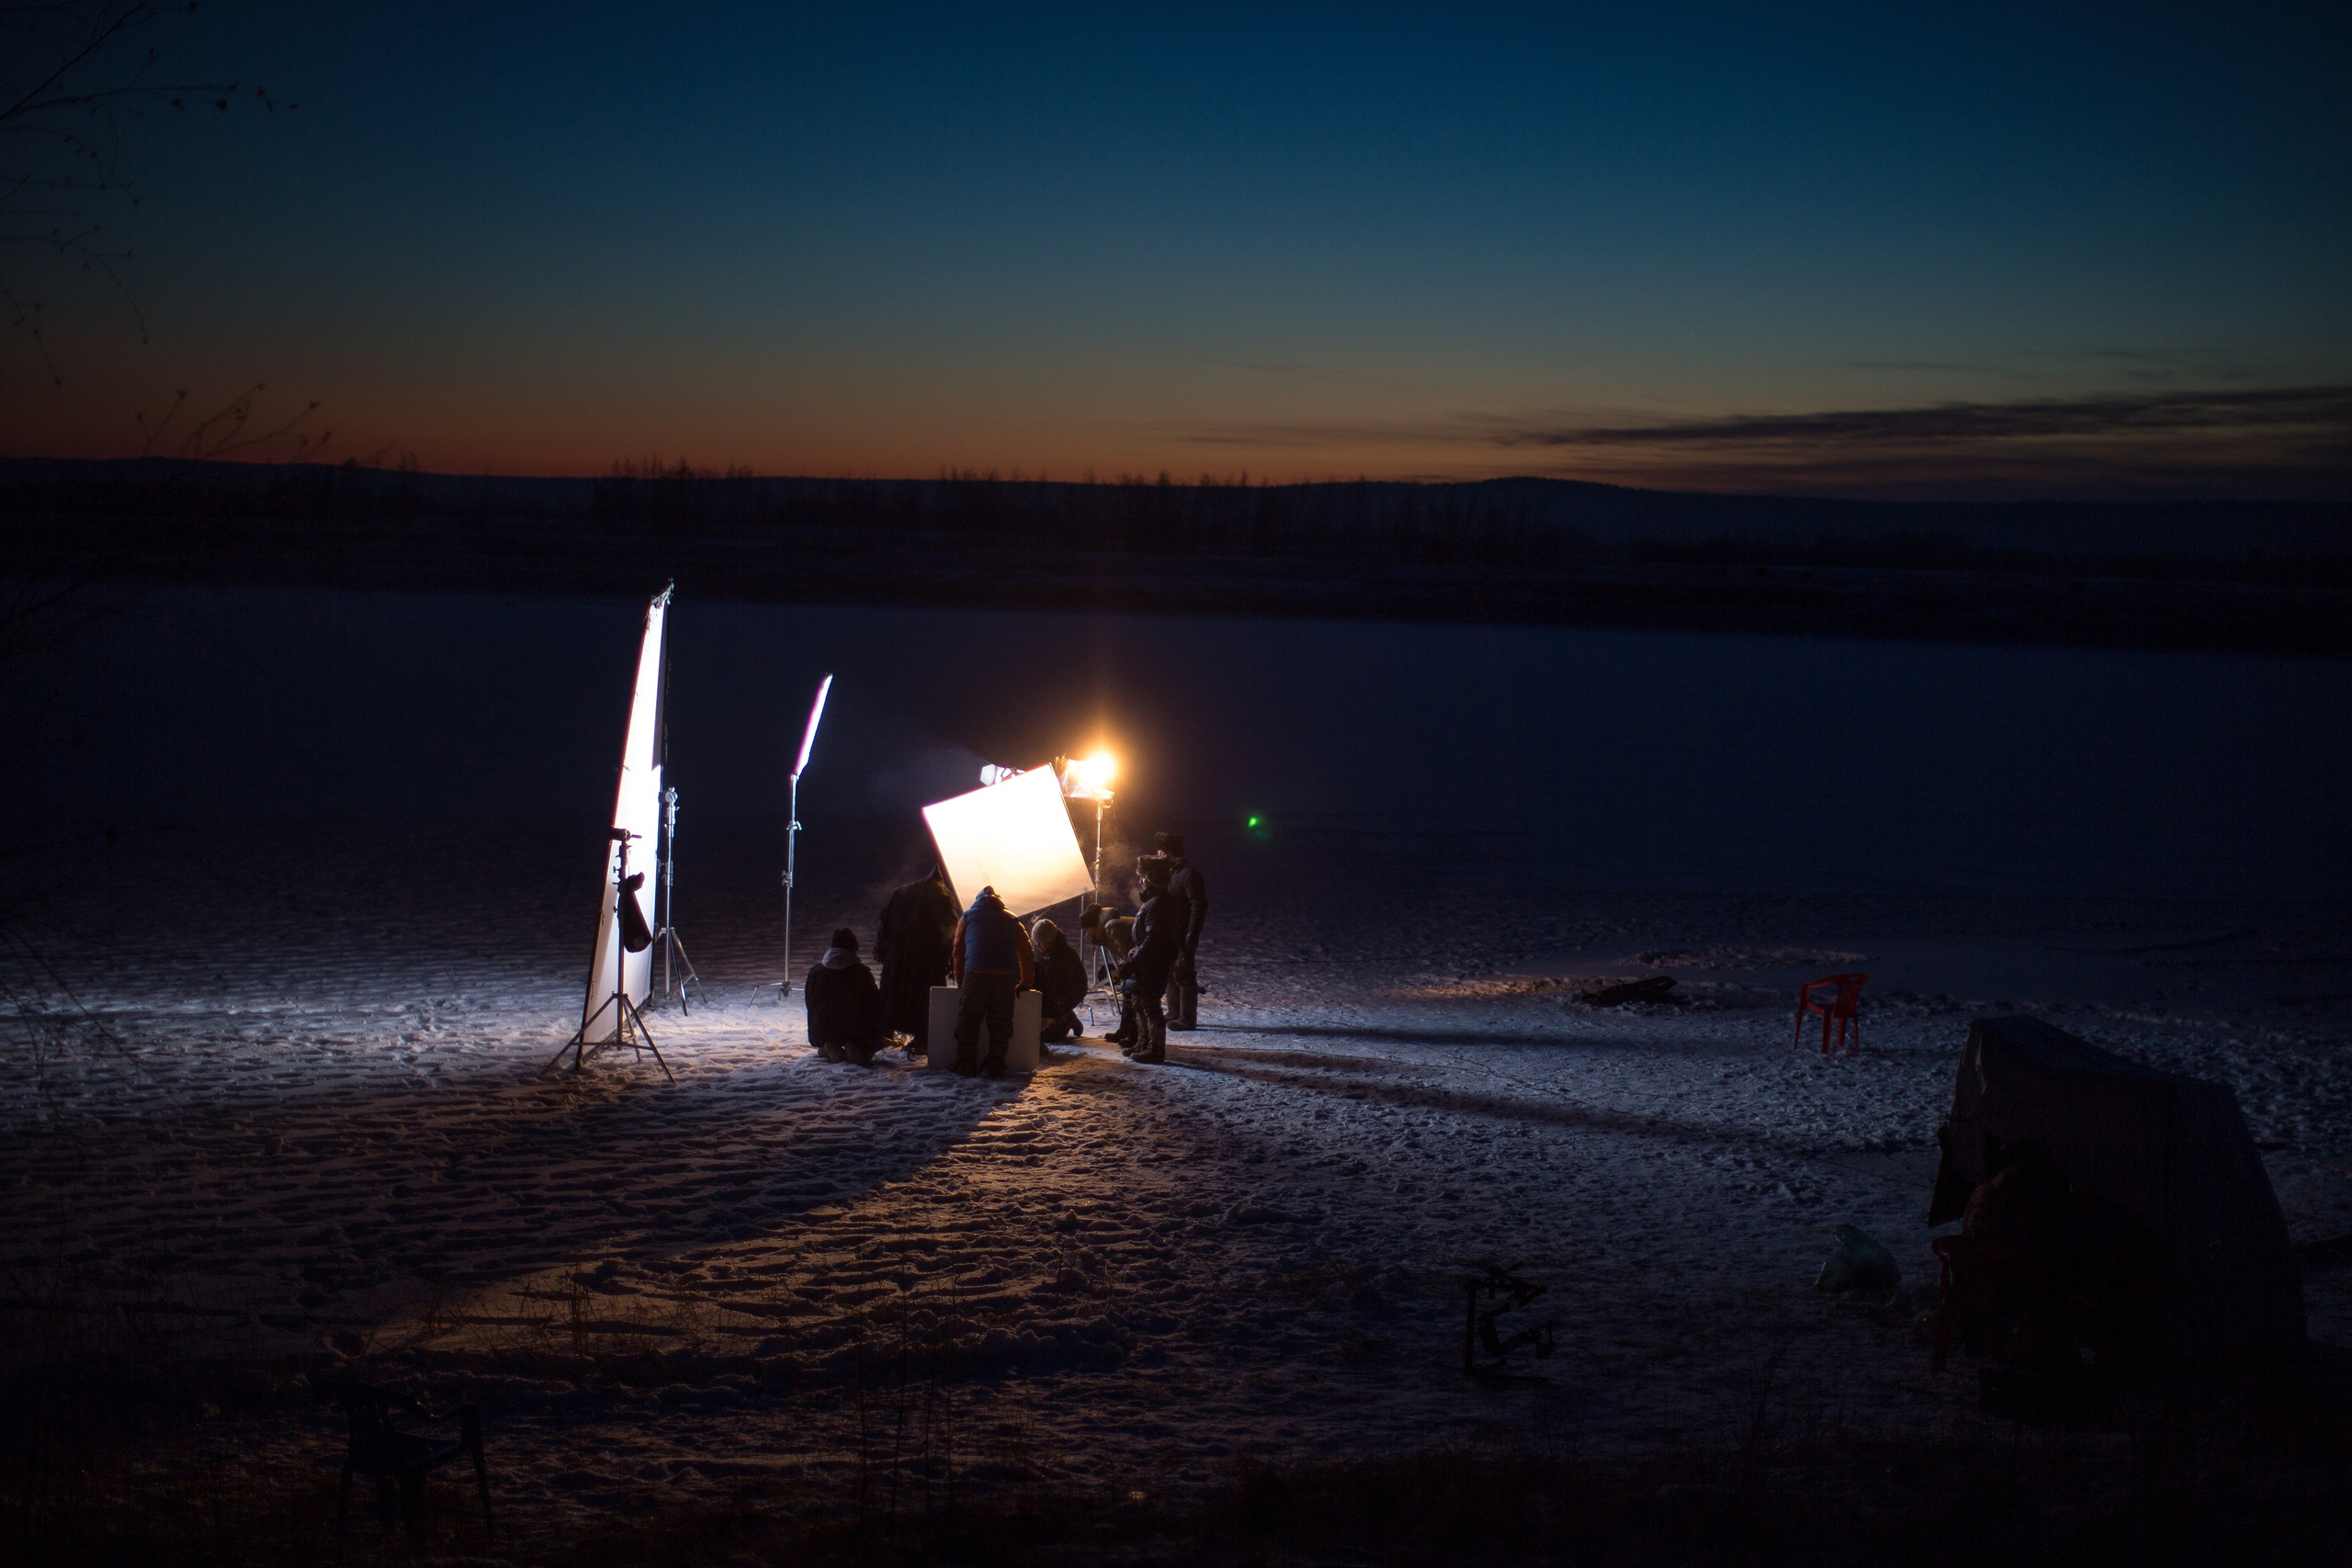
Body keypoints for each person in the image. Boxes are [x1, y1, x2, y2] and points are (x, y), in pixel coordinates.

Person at [950, 885, 1035, 1077]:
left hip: (976, 974)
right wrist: (1026, 982)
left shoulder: (968, 917)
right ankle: (995, 1065)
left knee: (969, 1021)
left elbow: (958, 952)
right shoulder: (1013, 919)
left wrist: (961, 980)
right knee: (1001, 1023)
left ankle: (965, 1064)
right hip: (1006, 977)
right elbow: (1026, 953)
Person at [876, 863, 956, 1057]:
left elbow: (883, 925)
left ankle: (884, 1031)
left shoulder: (901, 893)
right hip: (926, 960)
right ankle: (923, 1039)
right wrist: (955, 958)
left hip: (896, 957)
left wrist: (883, 952)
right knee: (924, 1000)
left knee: (894, 994)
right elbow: (950, 931)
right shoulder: (941, 895)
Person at [1117, 853, 1180, 1064]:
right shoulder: (1154, 901)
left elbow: (1153, 939)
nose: (1140, 881)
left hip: (1153, 964)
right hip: (1146, 962)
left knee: (1150, 1006)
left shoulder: (1158, 904)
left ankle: (1155, 1049)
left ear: (1151, 877)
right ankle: (1143, 1043)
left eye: (1143, 876)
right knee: (1139, 1003)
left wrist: (1135, 960)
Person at [804, 927, 885, 1066]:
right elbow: (873, 1005)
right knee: (863, 1054)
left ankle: (828, 1046)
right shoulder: (861, 974)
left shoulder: (815, 972)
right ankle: (854, 1047)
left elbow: (810, 1003)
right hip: (855, 1030)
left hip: (822, 1029)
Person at [1156, 830, 1208, 1030]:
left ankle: (1187, 1018)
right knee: (1169, 971)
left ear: (1171, 853)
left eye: (1162, 852)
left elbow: (1198, 905)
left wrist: (1191, 934)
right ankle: (1174, 1012)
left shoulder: (1189, 875)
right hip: (1169, 932)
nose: (1159, 856)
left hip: (1183, 931)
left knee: (1184, 971)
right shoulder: (1168, 875)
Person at [1080, 903, 1136, 1044]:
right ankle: (1125, 1031)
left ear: (1094, 925)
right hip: (1137, 961)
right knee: (1128, 996)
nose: (1087, 934)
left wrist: (1126, 970)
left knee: (1134, 998)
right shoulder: (1105, 930)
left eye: (1087, 929)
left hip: (1143, 961)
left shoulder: (1112, 926)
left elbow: (1129, 951)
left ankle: (1133, 1035)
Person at [1030, 917, 1087, 1043]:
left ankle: (1069, 1019)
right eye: (1036, 942)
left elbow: (1080, 987)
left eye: (1042, 942)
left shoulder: (1067, 957)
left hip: (1059, 1003)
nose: (1038, 946)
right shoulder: (1034, 951)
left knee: (1048, 1038)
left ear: (1052, 941)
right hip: (1043, 1000)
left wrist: (1062, 1009)